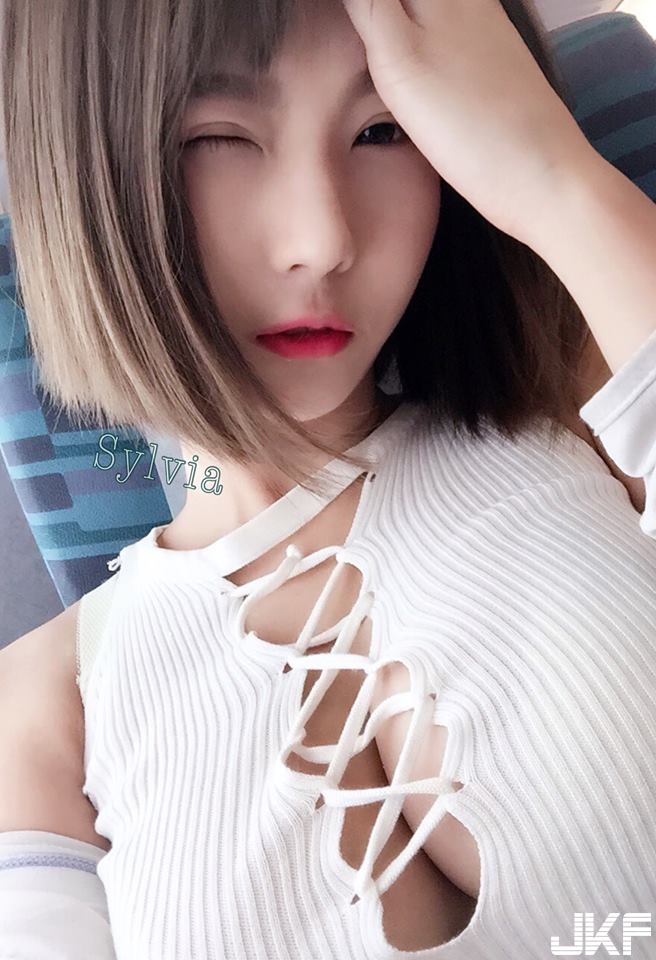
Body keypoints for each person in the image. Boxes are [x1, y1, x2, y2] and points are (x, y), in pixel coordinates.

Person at [0, 0, 655, 957]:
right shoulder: (44, 705)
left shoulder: (589, 400)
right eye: (218, 136)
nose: (323, 239)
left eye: (384, 129)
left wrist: (557, 180)